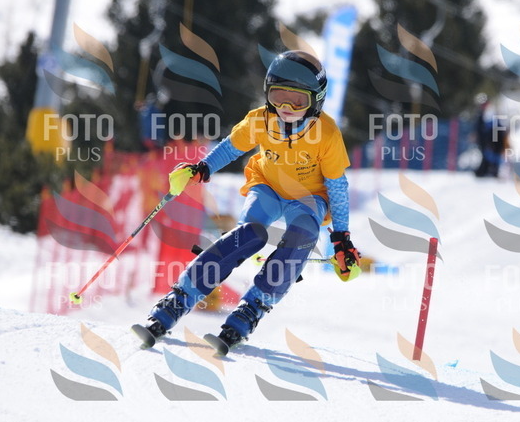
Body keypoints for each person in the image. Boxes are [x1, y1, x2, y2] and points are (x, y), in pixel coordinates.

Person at [132, 50, 361, 352]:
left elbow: (337, 186)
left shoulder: (327, 134)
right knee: (249, 235)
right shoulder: (260, 120)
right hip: (267, 187)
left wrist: (341, 237)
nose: (286, 108)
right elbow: (231, 148)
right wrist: (202, 169)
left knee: (303, 235)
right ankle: (179, 298)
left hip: (308, 197)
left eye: (298, 101)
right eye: (278, 96)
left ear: (316, 101)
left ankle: (252, 308)